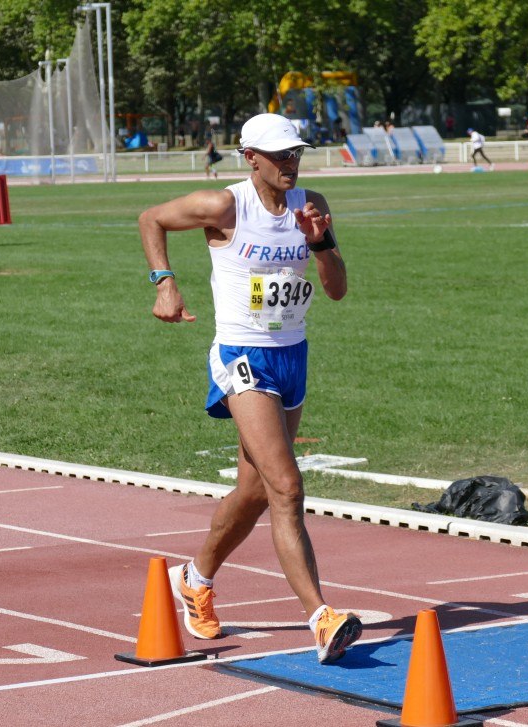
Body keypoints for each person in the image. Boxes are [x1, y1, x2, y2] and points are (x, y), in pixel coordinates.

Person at [138, 112, 362, 665]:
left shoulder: (312, 203)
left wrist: (322, 244)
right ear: (250, 157)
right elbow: (151, 218)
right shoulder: (224, 206)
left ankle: (194, 577)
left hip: (292, 356)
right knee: (286, 486)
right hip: (241, 356)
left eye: (296, 153)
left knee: (257, 491)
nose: (291, 163)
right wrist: (164, 283)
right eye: (280, 155)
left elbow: (335, 291)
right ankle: (322, 617)